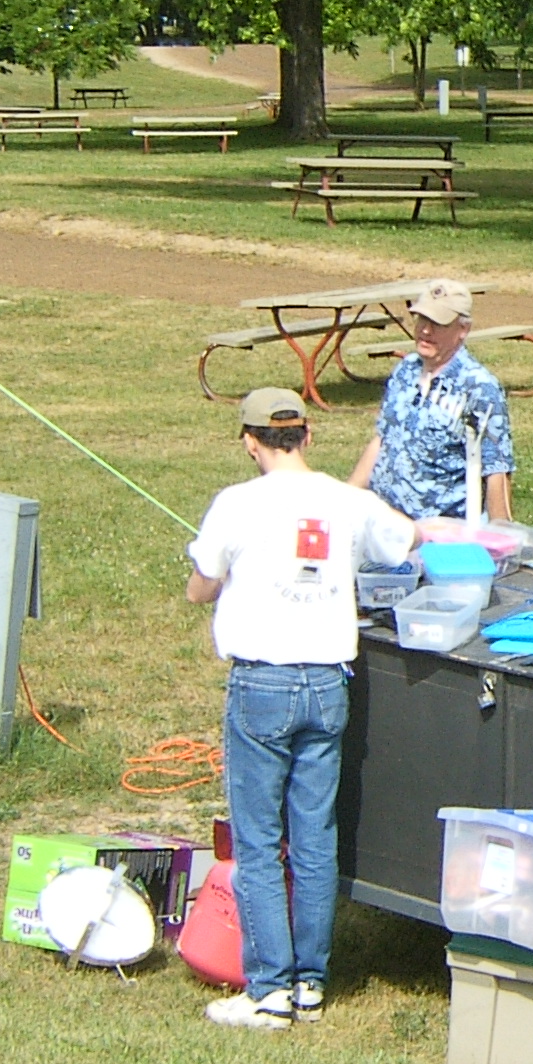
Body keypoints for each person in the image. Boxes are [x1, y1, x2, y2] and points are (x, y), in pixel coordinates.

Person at [186, 388, 415, 1030]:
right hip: (327, 684)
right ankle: (311, 982)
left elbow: (200, 585)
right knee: (314, 838)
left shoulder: (235, 503)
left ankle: (269, 990)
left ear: (249, 441)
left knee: (260, 841)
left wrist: (212, 579)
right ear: (307, 436)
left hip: (262, 685)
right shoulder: (346, 502)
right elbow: (402, 541)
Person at [351, 278, 515, 522]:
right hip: (386, 525)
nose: (426, 331)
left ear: (463, 330)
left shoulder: (478, 388)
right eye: (423, 320)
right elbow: (383, 439)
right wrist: (348, 497)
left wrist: (500, 544)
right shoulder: (405, 370)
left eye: (438, 323)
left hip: (440, 536)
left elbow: (497, 470)